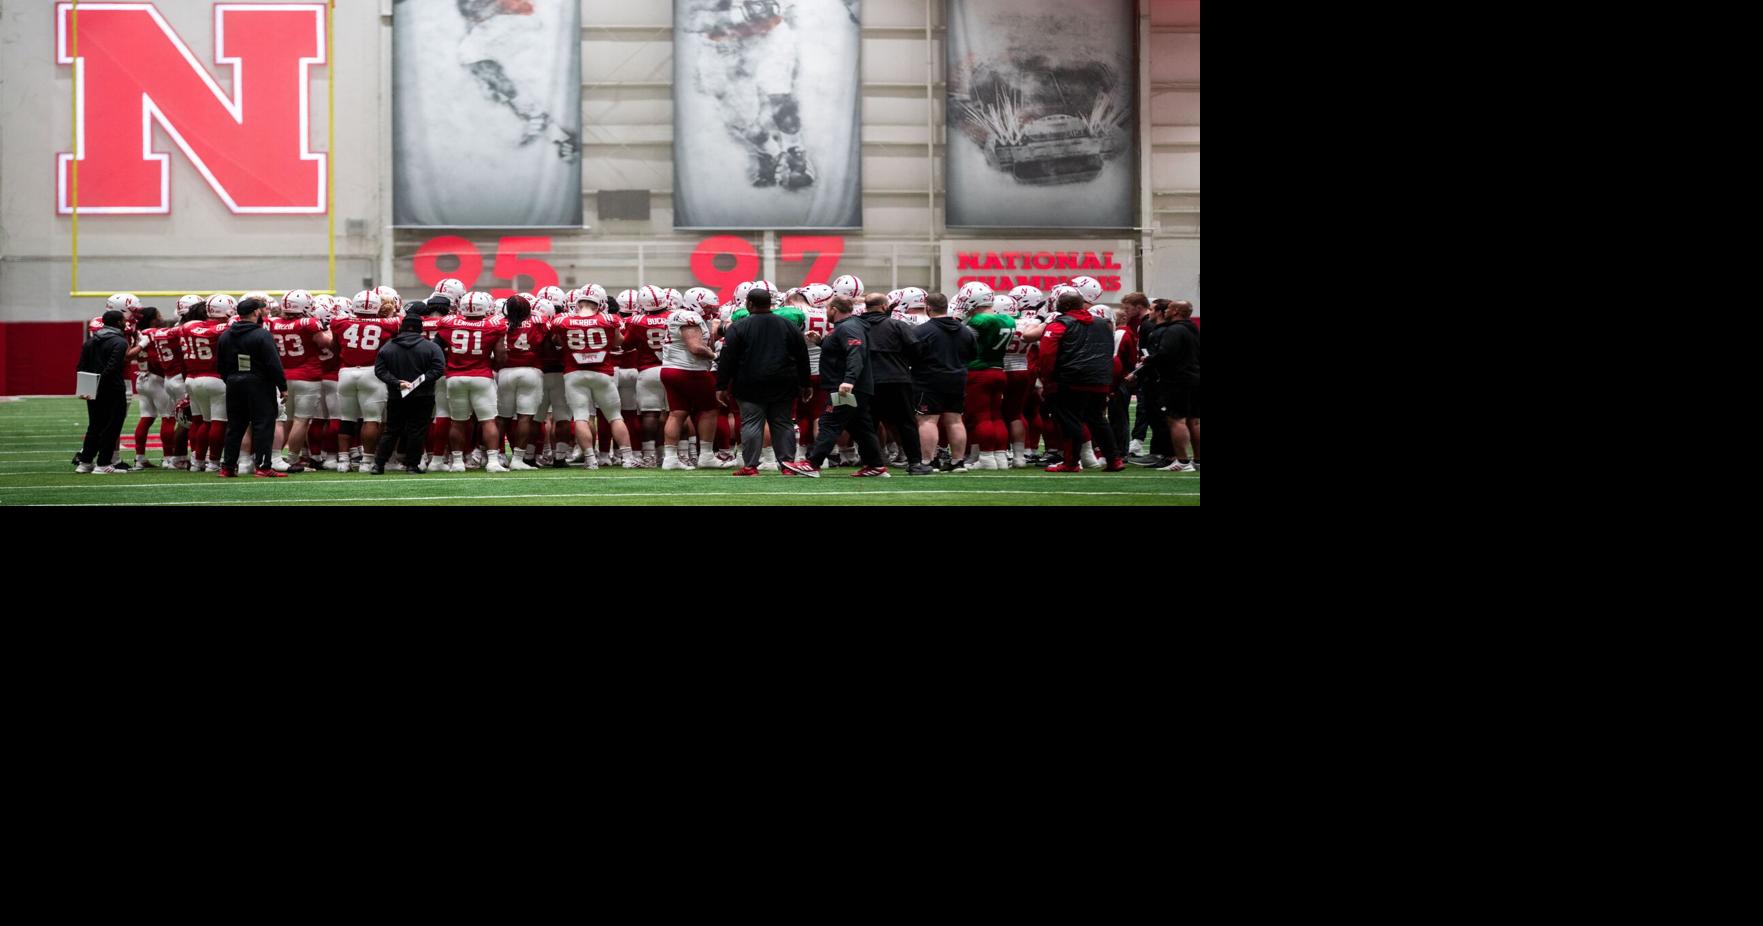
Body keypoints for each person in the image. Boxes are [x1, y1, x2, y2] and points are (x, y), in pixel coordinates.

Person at [715, 286, 813, 476]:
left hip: (749, 383)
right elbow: (802, 356)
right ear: (770, 303)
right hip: (784, 382)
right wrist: (806, 383)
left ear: (749, 304)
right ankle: (787, 465)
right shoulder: (789, 326)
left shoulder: (739, 327)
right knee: (783, 423)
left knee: (751, 423)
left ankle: (750, 466)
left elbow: (727, 358)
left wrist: (721, 385)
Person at [797, 296, 887, 477]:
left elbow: (856, 352)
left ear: (834, 310)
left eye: (827, 309)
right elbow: (842, 353)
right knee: (860, 427)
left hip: (845, 386)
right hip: (852, 386)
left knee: (829, 422)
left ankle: (813, 464)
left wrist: (849, 380)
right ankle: (876, 465)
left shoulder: (848, 327)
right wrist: (821, 342)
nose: (825, 312)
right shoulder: (847, 327)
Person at [1036, 291, 1123, 473]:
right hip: (1100, 379)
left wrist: (1047, 379)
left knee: (1070, 421)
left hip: (1071, 380)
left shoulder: (1059, 325)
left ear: (1066, 306)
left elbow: (1046, 354)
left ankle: (1071, 462)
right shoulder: (1102, 324)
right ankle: (1114, 459)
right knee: (1098, 419)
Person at [216, 296, 289, 477]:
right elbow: (273, 363)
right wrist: (282, 386)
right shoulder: (262, 334)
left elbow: (220, 365)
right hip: (259, 384)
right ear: (256, 312)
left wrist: (231, 379)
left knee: (235, 426)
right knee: (263, 425)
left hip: (234, 383)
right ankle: (263, 467)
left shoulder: (226, 335)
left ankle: (228, 467)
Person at [909, 293, 976, 475]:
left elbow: (912, 356)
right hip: (957, 378)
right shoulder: (965, 330)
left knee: (927, 420)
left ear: (928, 308)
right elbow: (972, 355)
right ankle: (958, 461)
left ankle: (927, 462)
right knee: (955, 419)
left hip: (929, 380)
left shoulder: (921, 331)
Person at [857, 291, 924, 469]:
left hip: (867, 382)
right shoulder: (897, 325)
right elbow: (916, 350)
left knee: (868, 424)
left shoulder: (856, 326)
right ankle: (915, 463)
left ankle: (871, 464)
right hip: (897, 379)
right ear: (884, 307)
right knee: (906, 422)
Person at [373, 313, 447, 475]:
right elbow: (438, 369)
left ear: (402, 327)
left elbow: (379, 370)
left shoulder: (388, 347)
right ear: (420, 328)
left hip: (396, 395)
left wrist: (397, 382)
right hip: (423, 394)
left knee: (392, 430)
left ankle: (378, 465)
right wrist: (419, 382)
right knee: (417, 430)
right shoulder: (431, 347)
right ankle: (412, 465)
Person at [74, 309, 135, 474]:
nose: (125, 322)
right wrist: (102, 383)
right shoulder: (120, 342)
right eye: (123, 320)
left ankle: (85, 462)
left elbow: (81, 366)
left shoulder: (90, 342)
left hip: (92, 388)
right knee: (112, 426)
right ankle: (103, 463)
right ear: (118, 322)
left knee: (94, 426)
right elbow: (113, 367)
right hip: (112, 388)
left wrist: (88, 386)